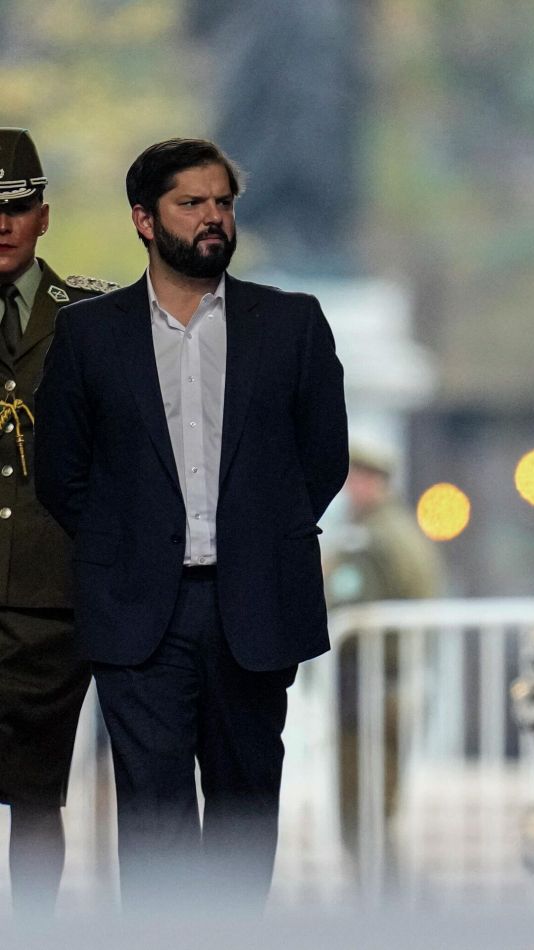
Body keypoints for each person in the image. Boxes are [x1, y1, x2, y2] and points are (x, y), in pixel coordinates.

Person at [34, 138, 348, 914]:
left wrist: (260, 536)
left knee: (246, 808)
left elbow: (323, 460)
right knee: (153, 819)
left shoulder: (292, 324)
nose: (213, 217)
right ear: (144, 219)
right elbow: (61, 473)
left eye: (223, 202)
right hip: (139, 611)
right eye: (191, 203)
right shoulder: (89, 334)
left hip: (254, 604)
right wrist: (127, 546)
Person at [0, 128, 116, 916]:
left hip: (52, 594)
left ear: (43, 216)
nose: (2, 225)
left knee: (37, 794)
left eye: (17, 208)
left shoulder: (93, 319)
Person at [325, 442, 443, 882]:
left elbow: (345, 602)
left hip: (370, 687)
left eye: (354, 478)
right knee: (377, 807)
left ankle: (388, 907)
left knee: (360, 811)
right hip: (392, 684)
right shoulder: (401, 530)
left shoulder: (370, 539)